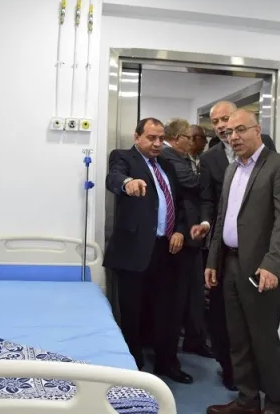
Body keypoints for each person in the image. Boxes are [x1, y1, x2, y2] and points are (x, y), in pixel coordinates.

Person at [192, 109, 280, 414]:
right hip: (230, 264)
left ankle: (275, 403)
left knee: (263, 339)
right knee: (237, 337)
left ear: (257, 130)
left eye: (240, 130)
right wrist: (213, 260)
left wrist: (273, 264)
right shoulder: (232, 170)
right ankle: (247, 399)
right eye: (229, 133)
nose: (234, 137)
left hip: (261, 267)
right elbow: (223, 218)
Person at [103, 117, 193, 384]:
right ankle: (133, 367)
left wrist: (180, 230)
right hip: (134, 250)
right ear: (137, 137)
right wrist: (127, 183)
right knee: (132, 313)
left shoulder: (166, 165)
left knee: (167, 311)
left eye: (161, 138)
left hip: (166, 249)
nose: (157, 143)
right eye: (151, 138)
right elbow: (114, 178)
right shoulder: (123, 157)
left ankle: (167, 363)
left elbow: (179, 202)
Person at [195, 100, 276, 390]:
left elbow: (277, 206)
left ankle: (263, 383)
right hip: (223, 250)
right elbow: (209, 201)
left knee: (258, 322)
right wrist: (206, 226)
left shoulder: (267, 149)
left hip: (257, 251)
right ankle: (232, 373)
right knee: (224, 319)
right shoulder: (212, 159)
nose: (222, 127)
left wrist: (274, 257)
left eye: (226, 120)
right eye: (216, 122)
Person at [160, 119, 212, 358]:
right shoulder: (170, 157)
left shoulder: (181, 158)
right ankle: (178, 346)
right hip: (181, 235)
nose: (191, 142)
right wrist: (210, 174)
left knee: (194, 291)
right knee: (181, 293)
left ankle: (195, 338)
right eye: (187, 138)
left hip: (192, 234)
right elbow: (192, 183)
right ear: (177, 138)